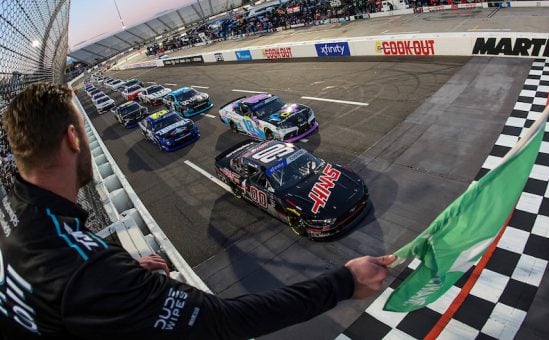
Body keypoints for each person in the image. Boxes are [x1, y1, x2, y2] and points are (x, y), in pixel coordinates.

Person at [0, 83, 395, 339]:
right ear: (72, 138)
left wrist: (122, 282)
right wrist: (342, 284)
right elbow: (224, 321)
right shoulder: (86, 267)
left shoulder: (21, 240)